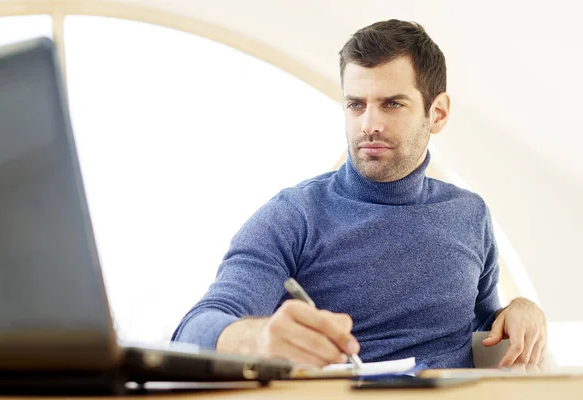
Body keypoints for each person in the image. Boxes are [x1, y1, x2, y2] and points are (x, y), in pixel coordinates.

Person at [171, 19, 547, 369]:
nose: (369, 125)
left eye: (392, 104)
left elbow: (482, 324)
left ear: (438, 114)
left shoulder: (470, 214)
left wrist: (518, 310)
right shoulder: (294, 215)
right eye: (356, 104)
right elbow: (192, 332)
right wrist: (258, 338)